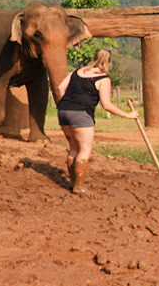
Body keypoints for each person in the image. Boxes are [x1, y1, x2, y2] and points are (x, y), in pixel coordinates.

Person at [57, 49, 138, 194]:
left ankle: (73, 183)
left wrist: (69, 103)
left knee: (73, 148)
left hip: (63, 111)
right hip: (81, 114)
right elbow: (106, 105)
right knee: (84, 149)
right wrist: (127, 115)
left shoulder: (77, 71)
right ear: (109, 63)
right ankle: (79, 187)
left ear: (94, 59)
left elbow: (60, 87)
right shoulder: (103, 78)